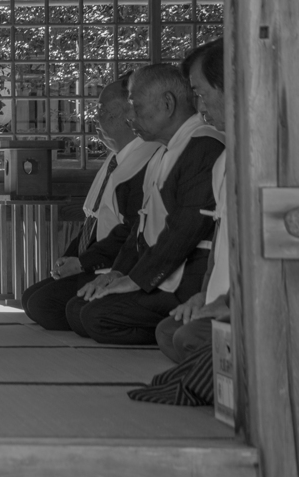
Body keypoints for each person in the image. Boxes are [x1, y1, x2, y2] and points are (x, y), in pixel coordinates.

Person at [65, 63, 224, 345]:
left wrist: (135, 280)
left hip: (185, 276)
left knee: (95, 316)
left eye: (136, 108)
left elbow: (183, 231)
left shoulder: (204, 147)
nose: (132, 118)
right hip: (156, 270)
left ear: (167, 103)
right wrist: (118, 273)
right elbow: (140, 226)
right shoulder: (166, 150)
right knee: (80, 310)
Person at [21, 75, 161, 330]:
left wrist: (84, 263)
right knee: (32, 298)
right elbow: (94, 218)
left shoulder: (149, 158)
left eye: (102, 110)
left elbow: (130, 229)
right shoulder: (115, 158)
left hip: (119, 263)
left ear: (130, 113)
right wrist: (70, 257)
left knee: (46, 305)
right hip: (97, 256)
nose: (96, 118)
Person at [154, 40, 230, 362]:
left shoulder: (206, 148)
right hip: (221, 294)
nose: (199, 108)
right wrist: (205, 295)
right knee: (170, 333)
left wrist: (228, 302)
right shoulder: (224, 160)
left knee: (188, 338)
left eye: (201, 94)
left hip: (257, 300)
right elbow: (220, 237)